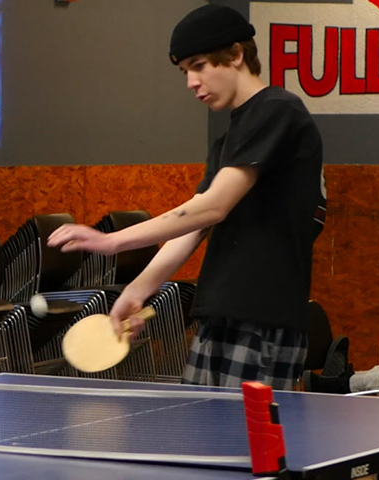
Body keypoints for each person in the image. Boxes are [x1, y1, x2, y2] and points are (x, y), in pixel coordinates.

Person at [47, 4, 326, 390]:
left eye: (199, 65)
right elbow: (195, 225)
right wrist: (138, 289)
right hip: (219, 314)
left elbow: (214, 205)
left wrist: (112, 241)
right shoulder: (228, 139)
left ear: (236, 54)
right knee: (203, 444)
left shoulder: (278, 111)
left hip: (262, 321)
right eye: (185, 72)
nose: (191, 82)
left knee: (241, 448)